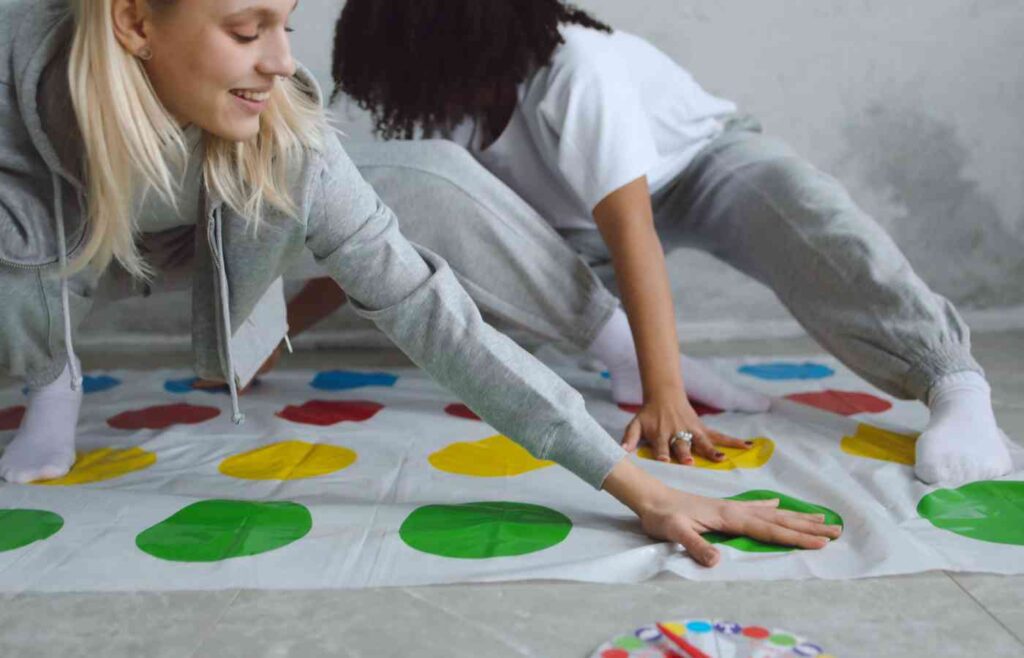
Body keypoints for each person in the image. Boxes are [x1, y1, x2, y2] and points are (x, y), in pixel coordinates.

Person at [0, 0, 839, 567]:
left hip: (211, 231)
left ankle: (612, 342)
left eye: (289, 21)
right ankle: (51, 376)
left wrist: (646, 494)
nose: (282, 62)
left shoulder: (282, 128)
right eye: (248, 28)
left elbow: (432, 315)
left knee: (429, 173)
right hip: (58, 242)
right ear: (135, 20)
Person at [331, 0, 1014, 486]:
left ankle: (952, 383)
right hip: (576, 225)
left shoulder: (576, 67)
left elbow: (633, 229)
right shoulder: (447, 117)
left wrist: (669, 398)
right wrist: (269, 335)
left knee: (815, 225)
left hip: (696, 165)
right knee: (469, 248)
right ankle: (628, 356)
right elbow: (371, 229)